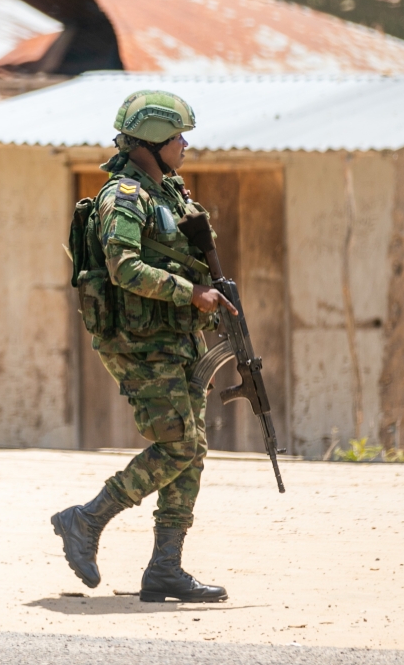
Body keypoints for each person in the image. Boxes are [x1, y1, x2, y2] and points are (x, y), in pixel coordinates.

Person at [52, 90, 237, 603]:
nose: (185, 145)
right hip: (138, 341)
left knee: (191, 449)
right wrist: (191, 293)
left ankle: (164, 569)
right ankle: (86, 519)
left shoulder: (169, 193)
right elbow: (124, 268)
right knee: (179, 443)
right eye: (178, 137)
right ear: (152, 142)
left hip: (174, 337)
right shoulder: (123, 199)